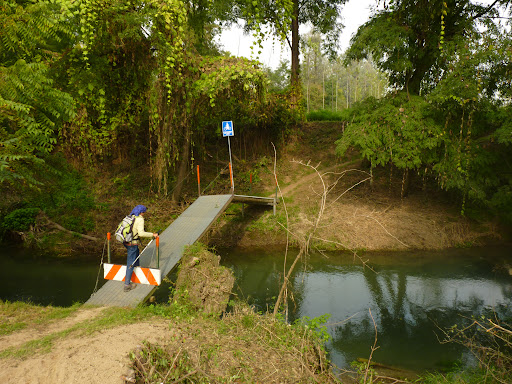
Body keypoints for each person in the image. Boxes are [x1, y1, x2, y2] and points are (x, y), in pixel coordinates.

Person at [123, 205, 158, 292]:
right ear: (141, 212)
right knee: (131, 263)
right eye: (144, 212)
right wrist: (152, 235)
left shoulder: (131, 216)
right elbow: (141, 233)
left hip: (125, 242)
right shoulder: (140, 219)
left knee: (136, 253)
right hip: (132, 243)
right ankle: (127, 285)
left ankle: (138, 269)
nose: (144, 214)